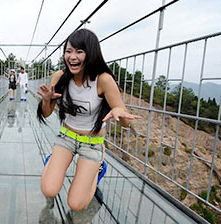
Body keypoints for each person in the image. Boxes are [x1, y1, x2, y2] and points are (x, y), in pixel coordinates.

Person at [36, 29, 140, 211]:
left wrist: (118, 110)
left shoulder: (104, 80)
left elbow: (125, 122)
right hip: (66, 138)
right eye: (68, 51)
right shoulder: (60, 76)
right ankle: (53, 161)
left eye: (79, 52)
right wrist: (47, 100)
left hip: (92, 143)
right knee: (49, 190)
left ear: (90, 53)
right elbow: (46, 114)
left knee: (76, 204)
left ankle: (98, 169)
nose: (72, 57)